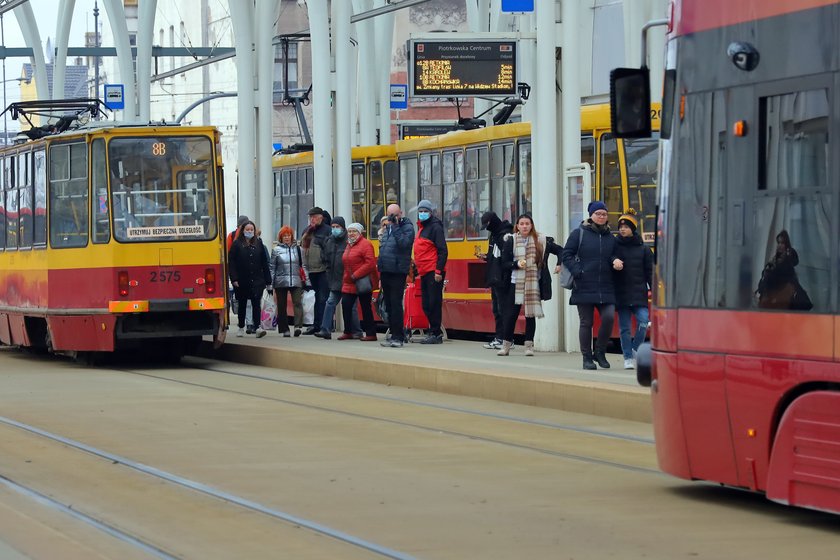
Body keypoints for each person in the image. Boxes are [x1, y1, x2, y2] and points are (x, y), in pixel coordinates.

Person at [562, 201, 624, 370]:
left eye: (604, 214)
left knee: (609, 317)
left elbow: (613, 255)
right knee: (586, 322)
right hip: (583, 284)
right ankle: (586, 358)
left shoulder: (611, 237)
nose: (602, 217)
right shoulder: (578, 234)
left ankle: (600, 351)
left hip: (606, 285)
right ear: (591, 215)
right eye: (598, 214)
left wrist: (615, 260)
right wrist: (577, 271)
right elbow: (566, 254)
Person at [496, 214, 561, 357]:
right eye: (522, 224)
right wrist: (516, 264)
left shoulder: (541, 240)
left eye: (527, 223)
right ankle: (506, 345)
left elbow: (560, 250)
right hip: (515, 283)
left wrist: (559, 264)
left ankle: (529, 346)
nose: (525, 226)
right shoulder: (511, 241)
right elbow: (504, 264)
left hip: (533, 284)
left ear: (531, 225)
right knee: (511, 315)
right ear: (517, 226)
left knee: (530, 315)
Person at [613, 209, 653, 369]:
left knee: (644, 322)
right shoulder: (614, 247)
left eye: (626, 226)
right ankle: (627, 357)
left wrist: (655, 292)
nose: (622, 229)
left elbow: (650, 272)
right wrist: (614, 260)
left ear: (633, 228)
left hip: (639, 293)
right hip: (621, 293)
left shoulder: (644, 249)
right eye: (621, 226)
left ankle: (635, 348)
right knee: (625, 328)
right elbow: (608, 259)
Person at [316, 216, 362, 339]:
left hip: (348, 279)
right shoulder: (329, 241)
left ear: (343, 228)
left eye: (337, 227)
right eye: (333, 227)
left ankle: (356, 331)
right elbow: (324, 258)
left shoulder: (349, 241)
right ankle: (325, 329)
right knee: (330, 302)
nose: (335, 229)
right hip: (334, 279)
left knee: (351, 306)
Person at [377, 204, 415, 348]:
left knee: (396, 304)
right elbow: (384, 249)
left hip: (398, 271)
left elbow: (404, 244)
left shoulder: (407, 227)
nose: (393, 217)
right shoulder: (387, 229)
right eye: (390, 215)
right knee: (389, 305)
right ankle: (394, 333)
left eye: (395, 214)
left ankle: (398, 336)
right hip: (386, 270)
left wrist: (396, 227)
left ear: (401, 213)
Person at [412, 199, 448, 344]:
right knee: (426, 303)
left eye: (425, 211)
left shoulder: (435, 228)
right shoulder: (421, 228)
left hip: (433, 271)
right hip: (424, 271)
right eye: (420, 211)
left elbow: (442, 251)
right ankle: (433, 331)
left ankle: (435, 333)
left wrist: (438, 271)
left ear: (430, 213)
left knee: (433, 302)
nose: (422, 214)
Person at [228, 219, 271, 338]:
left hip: (257, 279)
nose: (250, 231)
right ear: (243, 231)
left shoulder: (259, 243)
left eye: (252, 229)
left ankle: (257, 327)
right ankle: (241, 326)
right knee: (242, 303)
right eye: (247, 229)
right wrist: (234, 278)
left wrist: (268, 281)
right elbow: (231, 262)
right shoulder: (237, 244)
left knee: (256, 303)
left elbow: (264, 263)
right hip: (242, 280)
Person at [478, 211, 513, 349]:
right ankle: (500, 337)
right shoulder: (494, 235)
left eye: (487, 225)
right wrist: (487, 257)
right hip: (495, 277)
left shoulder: (504, 235)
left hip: (502, 278)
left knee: (502, 309)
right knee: (497, 310)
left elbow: (506, 255)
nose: (486, 229)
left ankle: (505, 338)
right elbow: (495, 254)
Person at [340, 223, 378, 342]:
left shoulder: (366, 244)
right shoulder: (348, 245)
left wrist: (356, 275)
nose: (351, 233)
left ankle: (371, 333)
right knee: (345, 305)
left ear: (360, 232)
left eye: (354, 231)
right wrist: (347, 277)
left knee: (365, 307)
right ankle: (348, 331)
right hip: (349, 281)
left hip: (362, 281)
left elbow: (370, 263)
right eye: (349, 231)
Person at [756, 230, 812, 310]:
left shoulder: (789, 258)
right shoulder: (774, 260)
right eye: (778, 243)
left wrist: (787, 255)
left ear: (786, 245)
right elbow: (766, 278)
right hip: (773, 298)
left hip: (782, 299)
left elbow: (793, 262)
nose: (779, 245)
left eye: (782, 243)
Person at [270, 226, 307, 337]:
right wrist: (270, 285)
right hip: (280, 282)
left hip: (296, 280)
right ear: (281, 237)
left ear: (292, 236)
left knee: (298, 303)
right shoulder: (276, 250)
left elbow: (303, 265)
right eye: (284, 236)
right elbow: (272, 268)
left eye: (288, 235)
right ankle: (284, 329)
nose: (287, 237)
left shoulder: (298, 249)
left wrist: (307, 281)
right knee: (282, 306)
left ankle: (297, 326)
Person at [300, 206, 331, 334]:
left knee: (323, 298)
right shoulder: (308, 231)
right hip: (312, 270)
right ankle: (316, 325)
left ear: (320, 217)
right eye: (310, 217)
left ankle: (324, 326)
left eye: (314, 217)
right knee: (316, 298)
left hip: (323, 269)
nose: (312, 219)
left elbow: (329, 250)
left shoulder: (327, 230)